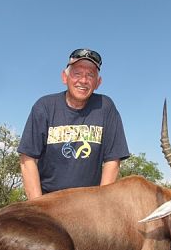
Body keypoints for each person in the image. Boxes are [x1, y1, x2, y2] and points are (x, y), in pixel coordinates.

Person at [18, 48, 129, 200]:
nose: (83, 80)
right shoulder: (44, 106)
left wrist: (101, 205)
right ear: (65, 77)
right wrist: (38, 207)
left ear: (98, 82)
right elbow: (27, 159)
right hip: (48, 202)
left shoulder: (105, 107)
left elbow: (112, 160)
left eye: (90, 75)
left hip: (89, 204)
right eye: (77, 74)